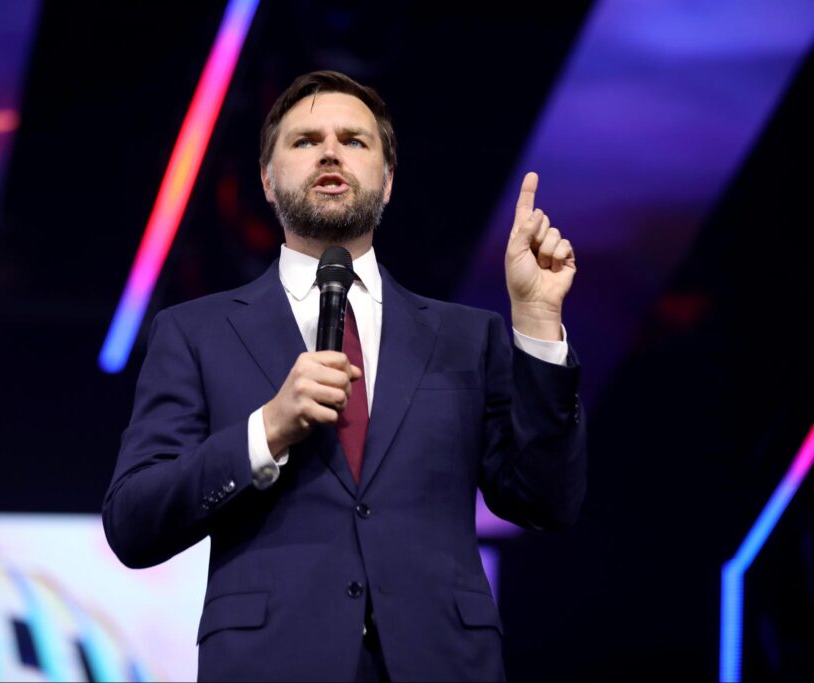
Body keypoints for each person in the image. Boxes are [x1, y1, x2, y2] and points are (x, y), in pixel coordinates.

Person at [103, 70, 586, 682]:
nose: (330, 151)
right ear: (267, 181)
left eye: (354, 141)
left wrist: (539, 325)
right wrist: (266, 431)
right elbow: (133, 523)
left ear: (386, 183)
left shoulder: (468, 337)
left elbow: (547, 501)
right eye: (305, 141)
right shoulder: (194, 332)